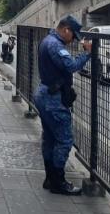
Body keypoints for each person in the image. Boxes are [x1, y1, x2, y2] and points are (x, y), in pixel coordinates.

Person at [34, 16, 91, 195]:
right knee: (65, 140)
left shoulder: (48, 40)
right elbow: (71, 66)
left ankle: (50, 179)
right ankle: (58, 182)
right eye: (72, 35)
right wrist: (88, 52)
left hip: (45, 93)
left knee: (50, 138)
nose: (73, 39)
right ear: (65, 29)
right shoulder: (55, 45)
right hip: (53, 99)